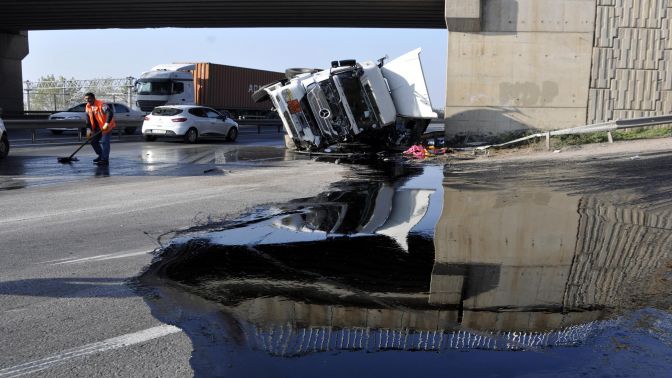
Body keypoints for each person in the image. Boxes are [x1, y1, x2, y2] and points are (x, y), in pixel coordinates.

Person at [84, 92, 115, 166]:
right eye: (86, 99)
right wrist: (88, 130)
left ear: (94, 98)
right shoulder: (88, 106)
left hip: (106, 126)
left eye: (89, 98)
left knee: (104, 141)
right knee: (93, 141)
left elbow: (109, 113)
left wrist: (106, 123)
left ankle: (105, 159)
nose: (88, 100)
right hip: (97, 128)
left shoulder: (101, 104)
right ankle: (101, 155)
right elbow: (87, 119)